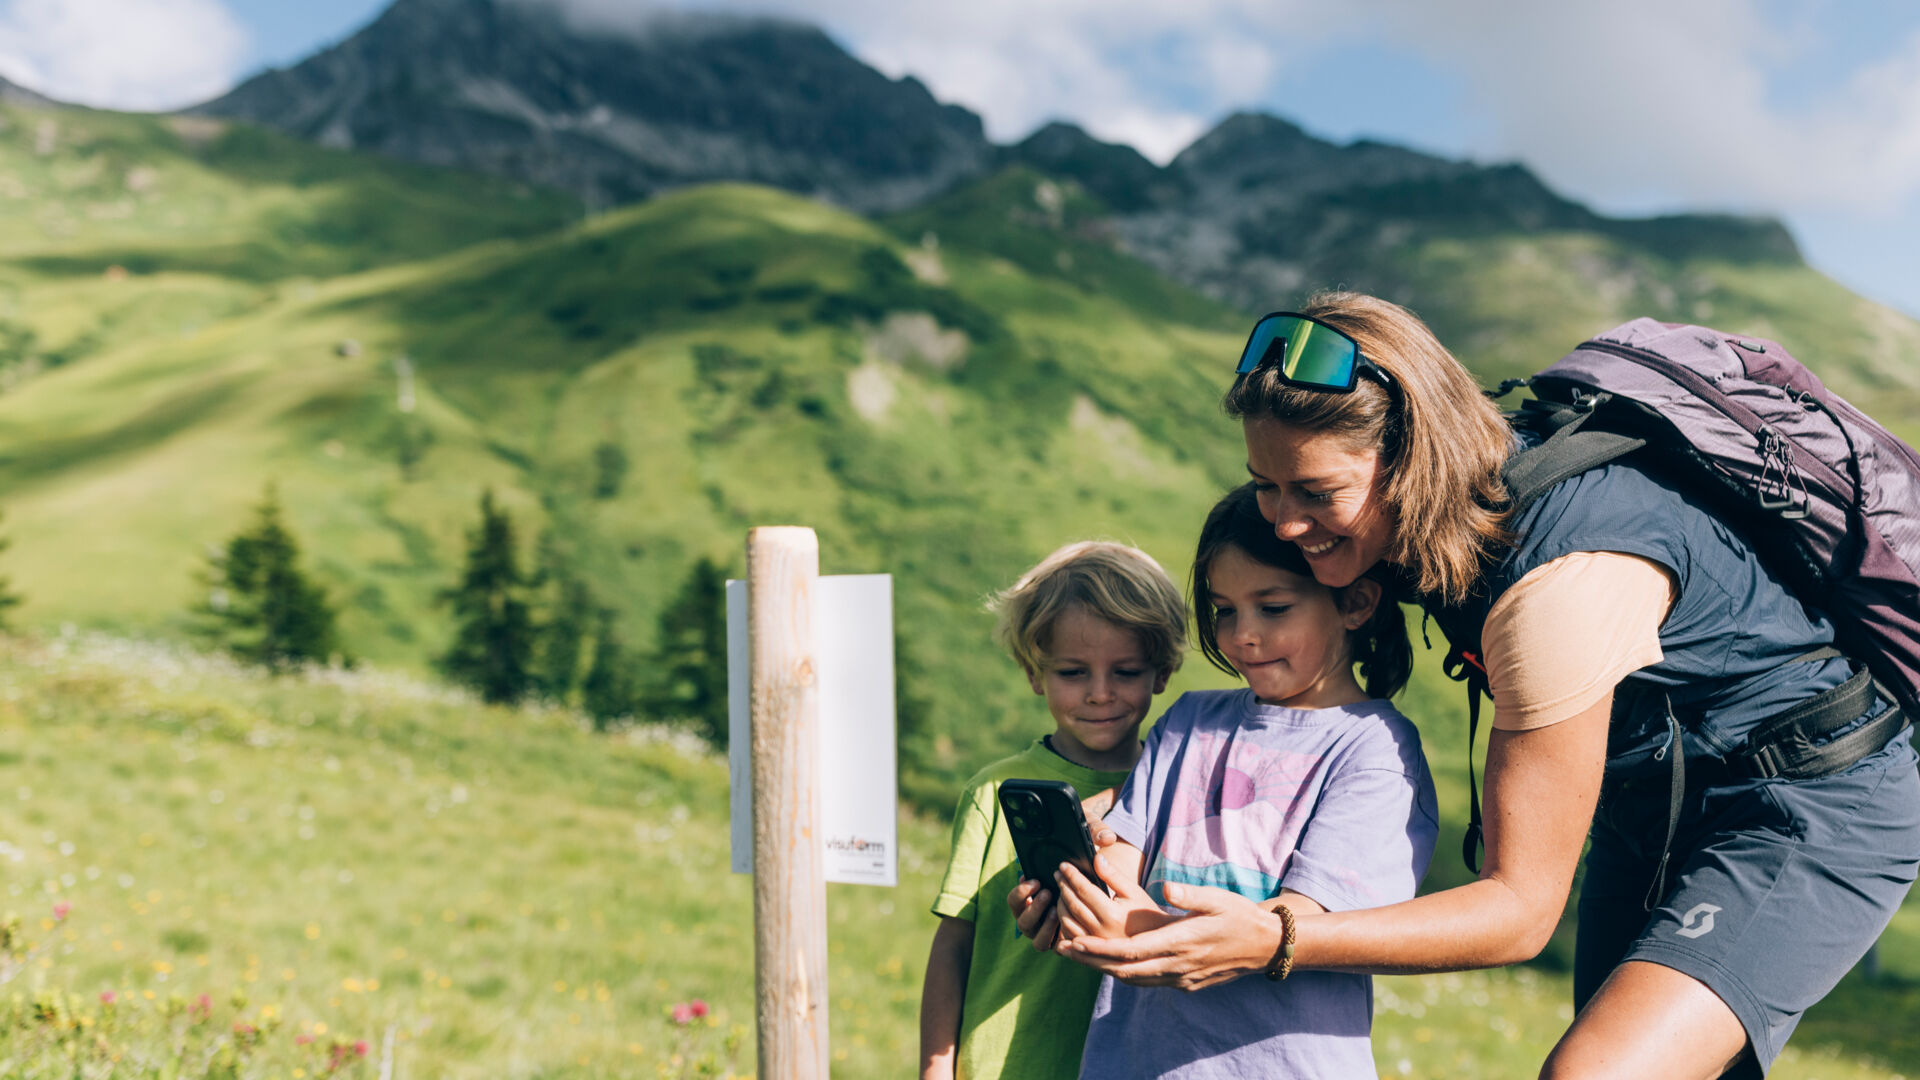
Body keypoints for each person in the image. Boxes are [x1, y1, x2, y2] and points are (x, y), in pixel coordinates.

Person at [1029, 293, 1920, 1079]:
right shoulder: (1430, 510)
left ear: (1411, 453)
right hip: (1656, 786)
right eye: (1265, 484)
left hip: (1813, 798)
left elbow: (1519, 913)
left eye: (1315, 491)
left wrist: (1275, 938)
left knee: (1599, 1072)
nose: (1286, 522)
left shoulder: (1557, 580)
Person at [1047, 482, 1436, 1078]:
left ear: (1356, 603)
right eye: (1224, 610)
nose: (1241, 635)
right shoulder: (1188, 719)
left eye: (1273, 608)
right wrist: (1072, 904)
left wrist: (1135, 932)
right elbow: (1119, 862)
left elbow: (1304, 924)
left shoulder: (1373, 749)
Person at [918, 540, 1188, 1080]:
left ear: (1162, 673)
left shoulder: (1179, 790)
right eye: (1073, 673)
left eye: (1126, 672)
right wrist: (937, 1069)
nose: (1100, 694)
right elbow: (954, 946)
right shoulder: (992, 791)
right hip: (1002, 1065)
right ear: (1034, 673)